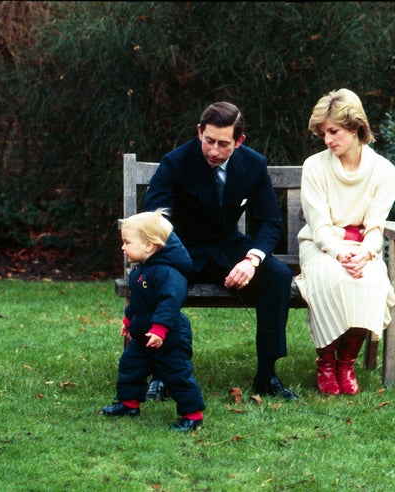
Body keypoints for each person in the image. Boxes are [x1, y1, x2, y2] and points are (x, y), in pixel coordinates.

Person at [143, 101, 298, 401]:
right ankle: (161, 374)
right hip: (180, 248)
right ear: (199, 131)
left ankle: (267, 375)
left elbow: (270, 222)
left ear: (239, 141)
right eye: (208, 140)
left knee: (277, 276)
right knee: (161, 281)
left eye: (223, 144)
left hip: (227, 247)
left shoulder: (253, 164)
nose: (213, 150)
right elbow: (155, 217)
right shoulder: (175, 162)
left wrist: (251, 260)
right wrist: (171, 259)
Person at [295, 89, 395, 395]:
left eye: (334, 131)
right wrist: (340, 254)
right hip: (320, 245)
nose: (327, 140)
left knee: (371, 282)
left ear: (354, 128)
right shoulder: (315, 166)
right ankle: (326, 362)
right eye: (323, 133)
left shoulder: (384, 171)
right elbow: (320, 225)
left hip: (363, 250)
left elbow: (376, 227)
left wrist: (365, 254)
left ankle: (346, 363)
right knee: (331, 279)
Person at [101, 209, 206, 432]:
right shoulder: (141, 271)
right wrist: (129, 320)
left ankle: (192, 415)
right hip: (143, 336)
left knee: (177, 372)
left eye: (127, 242)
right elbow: (139, 302)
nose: (123, 247)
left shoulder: (168, 273)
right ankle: (129, 404)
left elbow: (170, 302)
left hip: (169, 336)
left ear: (149, 246)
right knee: (130, 366)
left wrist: (160, 329)